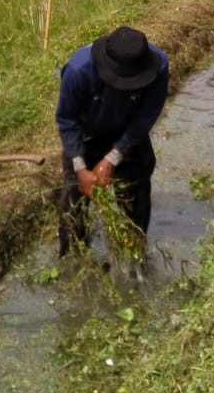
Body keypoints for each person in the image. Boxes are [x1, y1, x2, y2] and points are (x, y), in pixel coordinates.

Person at [56, 25, 168, 257]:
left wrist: (113, 157)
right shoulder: (79, 70)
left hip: (127, 130)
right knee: (73, 203)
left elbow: (146, 115)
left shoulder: (159, 66)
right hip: (86, 133)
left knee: (135, 189)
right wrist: (80, 167)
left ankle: (134, 250)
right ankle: (74, 256)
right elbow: (67, 119)